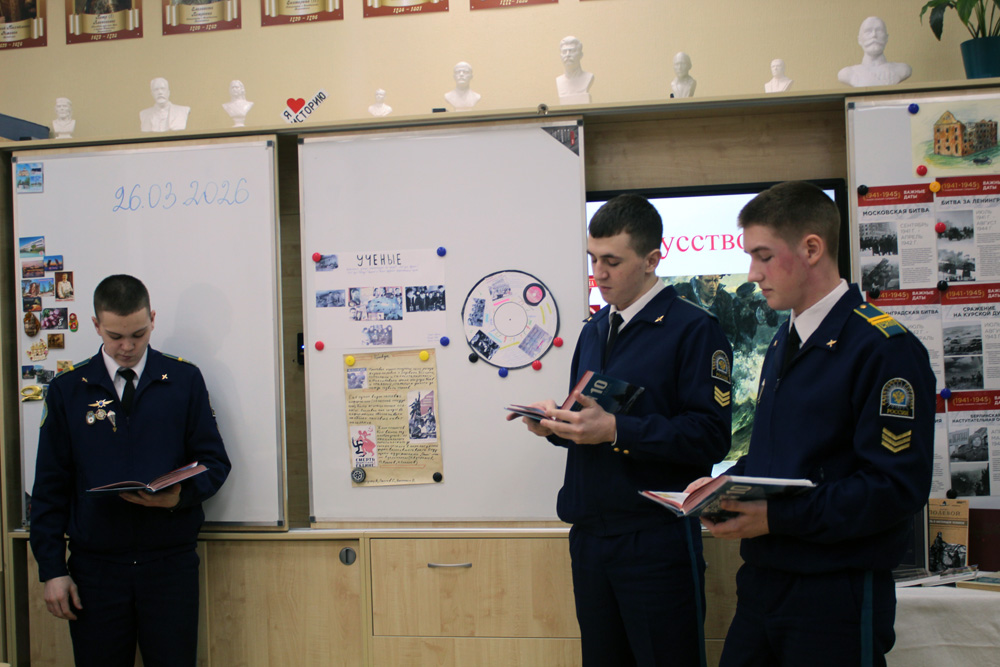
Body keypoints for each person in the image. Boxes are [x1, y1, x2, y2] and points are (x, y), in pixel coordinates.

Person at [691, 181, 934, 666]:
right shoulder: (783, 342)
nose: (753, 273)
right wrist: (725, 485)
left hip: (835, 592)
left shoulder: (884, 348)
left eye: (763, 256)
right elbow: (782, 454)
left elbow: (893, 489)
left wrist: (776, 517)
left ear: (811, 248)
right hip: (764, 581)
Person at [509, 194, 733, 666]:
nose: (599, 273)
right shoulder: (594, 328)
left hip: (654, 540)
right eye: (593, 259)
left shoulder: (694, 329)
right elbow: (588, 416)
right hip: (590, 536)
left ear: (652, 260)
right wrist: (555, 423)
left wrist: (617, 430)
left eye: (612, 261)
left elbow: (710, 437)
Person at [30, 274, 231, 667]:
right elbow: (50, 488)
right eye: (115, 336)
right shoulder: (68, 390)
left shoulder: (184, 380)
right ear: (96, 325)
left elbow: (215, 462)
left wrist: (180, 497)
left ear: (152, 319)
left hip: (169, 566)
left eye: (138, 334)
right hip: (95, 570)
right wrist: (52, 570)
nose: (127, 347)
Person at [838, 16, 911, 87]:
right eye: (868, 31)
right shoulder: (847, 73)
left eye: (879, 31)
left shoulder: (901, 70)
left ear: (886, 38)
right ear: (859, 40)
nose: (874, 35)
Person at [675, 275, 738, 344]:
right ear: (699, 281)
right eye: (707, 281)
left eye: (716, 280)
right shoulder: (683, 293)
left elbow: (729, 330)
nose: (713, 285)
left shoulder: (725, 298)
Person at [556, 36, 594, 105]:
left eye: (572, 51)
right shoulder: (559, 80)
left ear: (581, 55)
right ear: (560, 56)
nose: (567, 55)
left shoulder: (588, 77)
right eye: (564, 52)